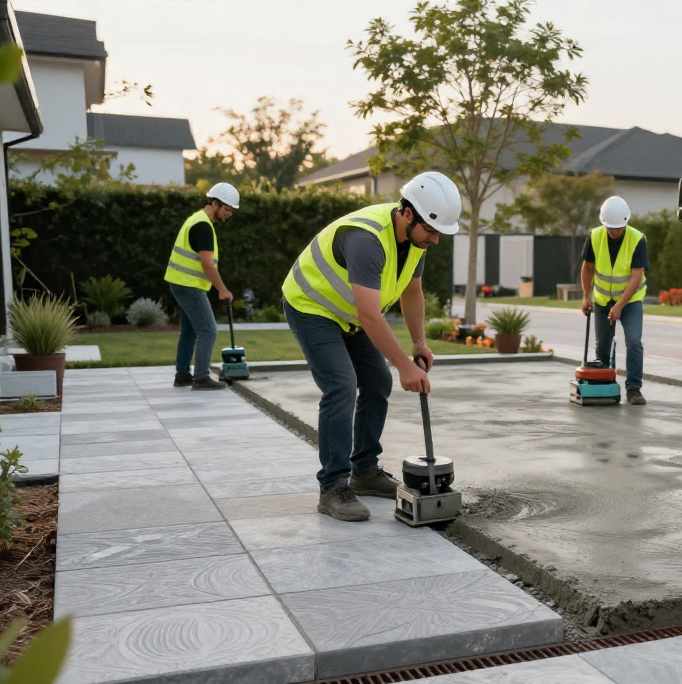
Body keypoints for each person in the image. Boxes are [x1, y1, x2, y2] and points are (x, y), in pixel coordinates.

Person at [281, 171, 461, 521]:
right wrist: (404, 367)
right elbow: (370, 315)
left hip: (348, 313)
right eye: (432, 230)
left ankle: (363, 472)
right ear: (407, 213)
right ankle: (332, 487)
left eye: (441, 233)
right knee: (341, 385)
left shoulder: (417, 241)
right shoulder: (367, 240)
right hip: (312, 306)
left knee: (377, 382)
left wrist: (419, 342)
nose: (436, 240)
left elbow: (412, 291)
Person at [165, 182, 239, 391]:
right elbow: (207, 264)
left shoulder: (196, 220)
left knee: (189, 332)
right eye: (227, 209)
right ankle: (201, 377)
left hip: (181, 282)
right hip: (189, 285)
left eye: (232, 211)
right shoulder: (202, 226)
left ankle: (182, 375)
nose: (229, 214)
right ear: (215, 203)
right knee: (208, 331)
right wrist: (222, 289)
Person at [580, 196, 648, 405]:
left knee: (634, 342)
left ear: (626, 222)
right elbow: (588, 268)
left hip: (631, 300)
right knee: (602, 347)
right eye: (610, 227)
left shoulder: (637, 239)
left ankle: (633, 389)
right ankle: (605, 385)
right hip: (601, 300)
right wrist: (585, 296)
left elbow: (636, 276)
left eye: (618, 227)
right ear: (603, 222)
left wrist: (619, 305)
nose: (614, 231)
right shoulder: (594, 236)